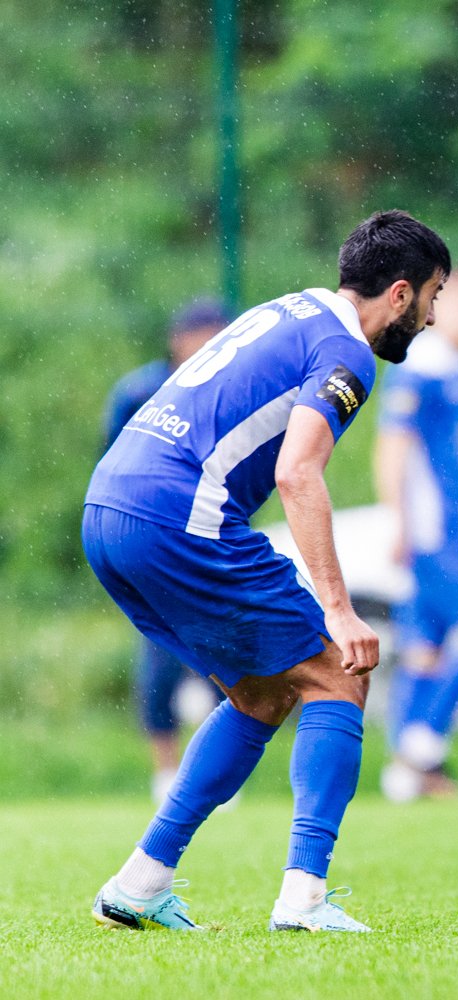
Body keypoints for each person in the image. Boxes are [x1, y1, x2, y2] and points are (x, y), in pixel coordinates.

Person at [83, 209, 451, 932]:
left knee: (260, 695)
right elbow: (299, 473)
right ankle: (304, 898)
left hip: (110, 509)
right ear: (401, 294)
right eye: (434, 296)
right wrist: (340, 610)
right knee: (337, 673)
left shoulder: (290, 308)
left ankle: (139, 882)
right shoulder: (350, 354)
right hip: (178, 516)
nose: (434, 317)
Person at [373, 268, 458, 801]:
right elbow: (393, 446)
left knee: (424, 650)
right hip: (428, 534)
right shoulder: (421, 365)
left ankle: (407, 773)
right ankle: (421, 747)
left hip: (455, 530)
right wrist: (399, 521)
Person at [101, 299, 232, 805]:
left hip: (207, 536)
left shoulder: (228, 391)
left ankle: (219, 772)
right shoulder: (138, 391)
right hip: (151, 539)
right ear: (177, 338)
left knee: (225, 648)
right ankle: (165, 770)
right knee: (159, 656)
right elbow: (112, 466)